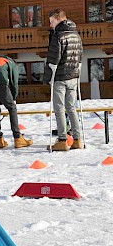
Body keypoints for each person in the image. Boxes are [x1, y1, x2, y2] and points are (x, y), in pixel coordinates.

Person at [44, 9, 83, 151]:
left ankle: (62, 139)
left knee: (59, 108)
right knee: (71, 108)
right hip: (73, 76)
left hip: (59, 77)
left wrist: (48, 78)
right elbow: (80, 56)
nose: (51, 25)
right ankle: (77, 139)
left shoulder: (58, 35)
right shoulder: (76, 35)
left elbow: (53, 59)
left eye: (52, 21)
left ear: (59, 20)